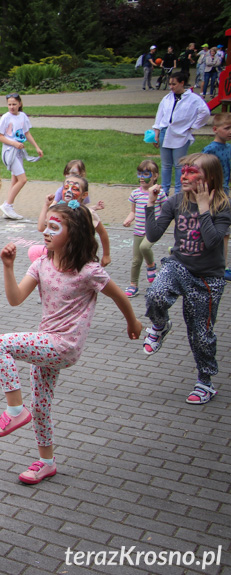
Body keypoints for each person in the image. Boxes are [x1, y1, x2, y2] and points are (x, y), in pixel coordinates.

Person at [0, 202, 141, 485]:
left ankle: (16, 411)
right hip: (46, 344)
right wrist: (7, 267)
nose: (45, 231)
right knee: (42, 407)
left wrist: (133, 322)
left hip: (64, 345)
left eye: (54, 227)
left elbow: (120, 296)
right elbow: (15, 298)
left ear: (75, 233)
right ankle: (46, 463)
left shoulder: (89, 271)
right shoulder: (42, 263)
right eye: (45, 225)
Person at [142, 153, 231, 404]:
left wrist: (203, 207)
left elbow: (213, 241)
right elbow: (154, 234)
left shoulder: (223, 205)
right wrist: (151, 203)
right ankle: (159, 326)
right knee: (155, 294)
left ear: (210, 177)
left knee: (201, 335)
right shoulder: (175, 201)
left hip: (207, 279)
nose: (184, 176)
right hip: (179, 266)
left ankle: (205, 382)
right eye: (183, 171)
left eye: (192, 172)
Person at [152, 71, 210, 196]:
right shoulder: (167, 98)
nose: (171, 87)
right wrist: (156, 133)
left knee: (179, 165)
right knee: (166, 164)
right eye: (170, 84)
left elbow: (205, 112)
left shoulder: (193, 99)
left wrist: (193, 126)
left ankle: (179, 192)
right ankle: (164, 191)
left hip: (181, 134)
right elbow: (159, 116)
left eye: (174, 84)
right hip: (165, 132)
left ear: (182, 83)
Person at [36, 175, 111, 267]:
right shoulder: (55, 209)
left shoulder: (87, 213)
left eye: (75, 189)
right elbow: (41, 227)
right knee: (34, 251)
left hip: (79, 256)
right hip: (58, 255)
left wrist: (106, 255)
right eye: (66, 188)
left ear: (84, 195)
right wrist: (46, 205)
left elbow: (102, 233)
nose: (69, 191)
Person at [122, 160, 166, 297]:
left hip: (153, 230)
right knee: (136, 260)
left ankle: (151, 265)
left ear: (155, 176)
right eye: (139, 173)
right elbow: (133, 211)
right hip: (138, 230)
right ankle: (133, 285)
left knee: (145, 247)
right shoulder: (135, 193)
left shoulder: (159, 193)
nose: (141, 177)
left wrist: (163, 224)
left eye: (146, 174)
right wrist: (129, 219)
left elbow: (166, 211)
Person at [0, 93, 43, 219]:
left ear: (20, 104)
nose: (11, 107)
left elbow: (26, 133)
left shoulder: (22, 116)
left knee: (15, 180)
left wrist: (36, 147)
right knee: (22, 179)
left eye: (14, 104)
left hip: (18, 152)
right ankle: (7, 205)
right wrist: (14, 143)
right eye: (9, 104)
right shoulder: (5, 117)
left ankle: (8, 208)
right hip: (9, 152)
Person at [202, 113, 231, 194]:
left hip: (225, 186)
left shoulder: (228, 147)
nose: (230, 131)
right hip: (213, 188)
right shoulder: (210, 149)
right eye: (227, 128)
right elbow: (203, 168)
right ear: (215, 129)